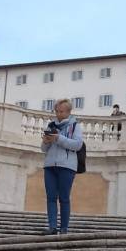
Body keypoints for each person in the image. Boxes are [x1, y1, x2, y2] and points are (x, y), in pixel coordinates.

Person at [41, 99, 83, 234]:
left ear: (68, 112)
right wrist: (46, 141)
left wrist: (58, 138)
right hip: (49, 166)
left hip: (67, 166)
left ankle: (64, 228)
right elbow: (43, 149)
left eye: (61, 111)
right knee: (51, 197)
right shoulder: (51, 125)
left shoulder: (75, 126)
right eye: (57, 111)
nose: (58, 114)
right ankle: (52, 227)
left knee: (64, 198)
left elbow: (77, 145)